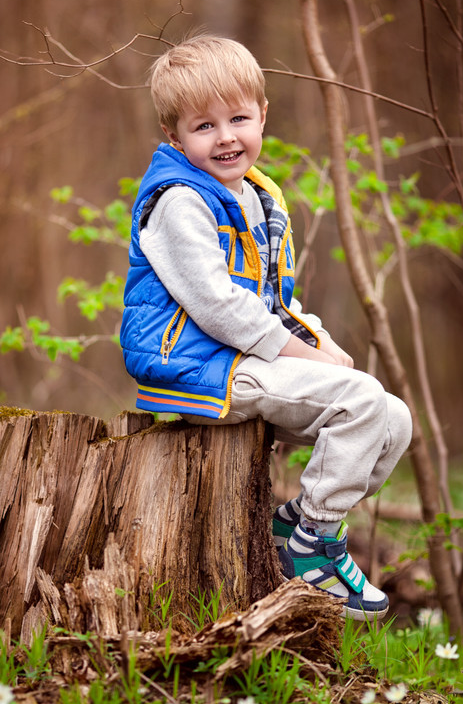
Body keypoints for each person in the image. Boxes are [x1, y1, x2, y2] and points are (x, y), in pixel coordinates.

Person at [120, 35, 412, 619]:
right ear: (173, 136)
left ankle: (297, 523)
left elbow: (273, 298)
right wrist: (299, 355)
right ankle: (313, 549)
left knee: (392, 417)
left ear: (262, 116)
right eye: (204, 127)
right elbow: (219, 305)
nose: (226, 137)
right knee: (361, 404)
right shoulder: (179, 201)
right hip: (198, 366)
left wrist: (320, 344)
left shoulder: (254, 195)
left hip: (242, 356)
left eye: (238, 118)